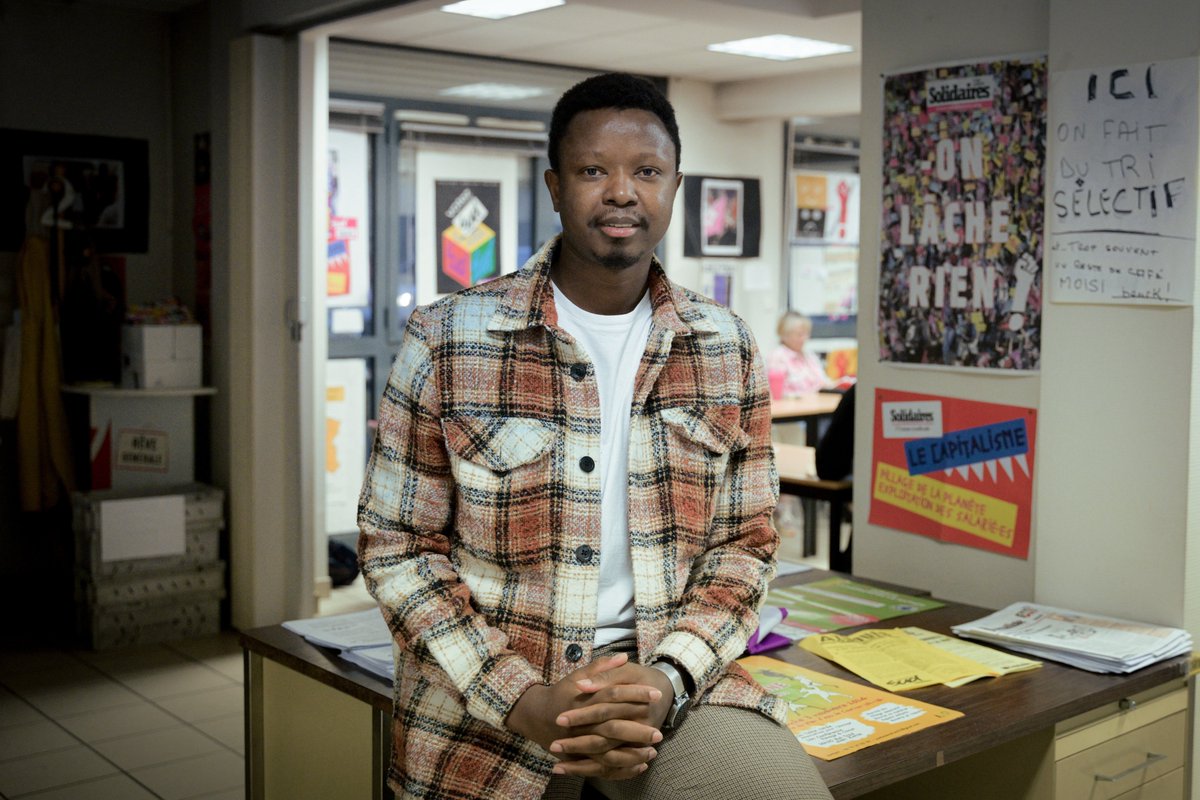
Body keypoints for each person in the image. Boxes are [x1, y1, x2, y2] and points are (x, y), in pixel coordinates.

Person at [358, 72, 833, 800]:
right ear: (554, 187)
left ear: (674, 188)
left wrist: (667, 679)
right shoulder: (448, 337)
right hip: (490, 691)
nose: (621, 192)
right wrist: (523, 699)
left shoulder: (725, 345)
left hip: (669, 678)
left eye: (646, 171)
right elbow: (398, 546)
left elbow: (747, 543)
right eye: (591, 171)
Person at [766, 311, 832, 397]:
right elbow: (778, 392)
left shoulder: (809, 356)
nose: (805, 338)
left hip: (818, 402)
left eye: (806, 333)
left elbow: (823, 381)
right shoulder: (777, 356)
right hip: (793, 405)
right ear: (785, 335)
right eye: (799, 334)